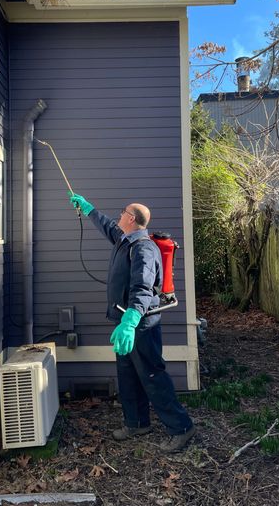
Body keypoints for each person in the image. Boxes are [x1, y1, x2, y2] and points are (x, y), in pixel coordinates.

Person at [69, 192, 195, 453]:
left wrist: (131, 319)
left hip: (140, 324)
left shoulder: (143, 248)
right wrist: (89, 208)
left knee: (152, 375)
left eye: (122, 212)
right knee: (127, 374)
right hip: (123, 323)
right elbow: (107, 226)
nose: (118, 216)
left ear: (131, 218)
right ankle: (136, 422)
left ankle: (181, 428)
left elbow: (142, 287)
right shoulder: (124, 240)